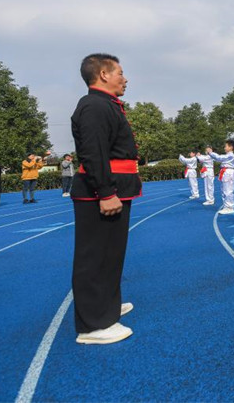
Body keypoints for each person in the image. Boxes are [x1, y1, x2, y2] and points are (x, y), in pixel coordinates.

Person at [71, 53, 141, 345]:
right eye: (120, 73)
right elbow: (94, 152)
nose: (125, 79)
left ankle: (106, 307)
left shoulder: (106, 105)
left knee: (111, 254)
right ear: (103, 74)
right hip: (103, 192)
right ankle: (93, 325)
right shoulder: (94, 106)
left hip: (116, 188)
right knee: (95, 256)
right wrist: (106, 192)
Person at [208, 140, 234, 215]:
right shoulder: (227, 155)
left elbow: (219, 158)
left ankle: (230, 207)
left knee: (228, 191)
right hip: (225, 173)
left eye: (226, 146)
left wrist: (211, 152)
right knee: (224, 190)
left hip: (228, 173)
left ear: (231, 147)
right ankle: (226, 206)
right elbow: (218, 158)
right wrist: (211, 154)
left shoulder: (230, 155)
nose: (224, 148)